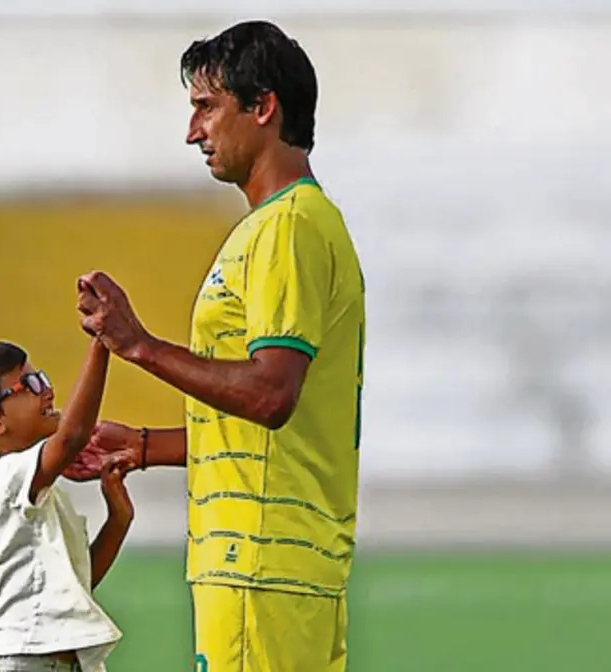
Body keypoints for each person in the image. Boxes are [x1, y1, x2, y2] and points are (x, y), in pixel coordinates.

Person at [65, 21, 365, 672]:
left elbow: (271, 393)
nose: (193, 132)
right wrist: (144, 447)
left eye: (207, 107)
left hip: (260, 561)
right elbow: (277, 427)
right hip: (272, 563)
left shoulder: (288, 227)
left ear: (263, 108)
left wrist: (139, 346)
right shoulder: (280, 226)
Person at [0, 339, 133, 671]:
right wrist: (102, 342)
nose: (47, 390)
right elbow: (71, 437)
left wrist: (119, 518)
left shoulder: (41, 495)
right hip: (24, 659)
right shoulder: (0, 481)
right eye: (29, 385)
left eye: (42, 378)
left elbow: (77, 585)